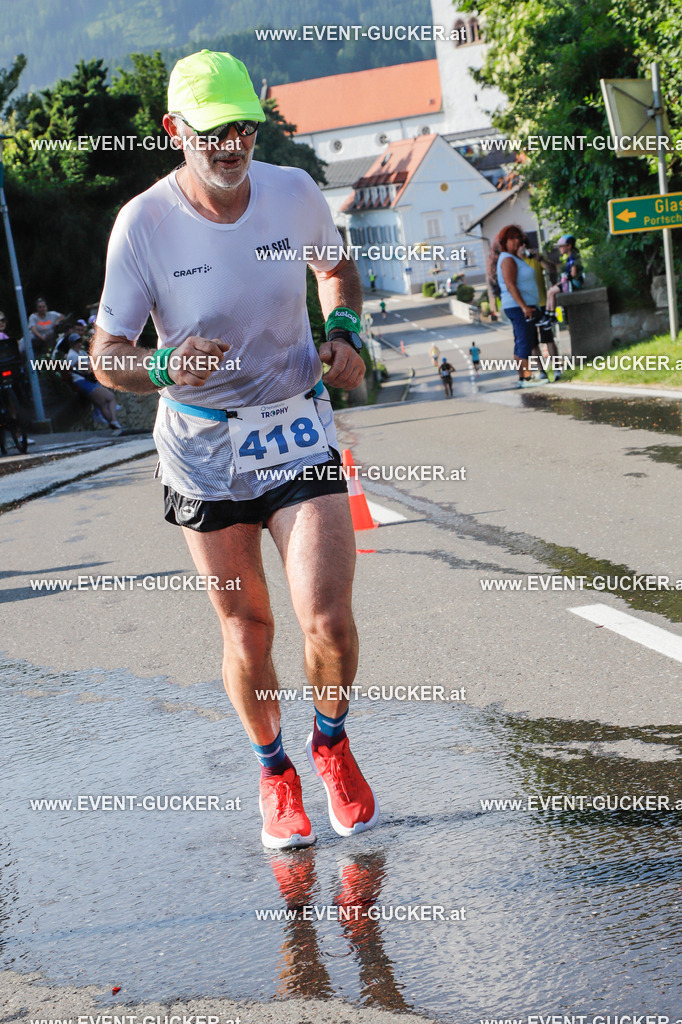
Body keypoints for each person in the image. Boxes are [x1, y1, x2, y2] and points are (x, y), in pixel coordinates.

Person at [91, 49, 378, 851]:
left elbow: (336, 267)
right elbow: (105, 352)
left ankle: (330, 743)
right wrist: (159, 365)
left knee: (329, 621)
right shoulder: (143, 225)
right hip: (203, 450)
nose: (233, 145)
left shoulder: (292, 193)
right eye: (214, 131)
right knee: (248, 631)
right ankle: (274, 771)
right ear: (174, 131)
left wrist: (346, 331)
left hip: (293, 428)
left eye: (245, 127)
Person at [488, 224, 548, 388]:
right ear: (504, 242)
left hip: (521, 305)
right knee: (525, 342)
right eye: (512, 238)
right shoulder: (508, 259)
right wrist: (524, 307)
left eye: (518, 238)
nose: (516, 241)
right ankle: (526, 379)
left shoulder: (514, 258)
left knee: (521, 341)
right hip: (519, 307)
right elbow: (510, 285)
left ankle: (524, 377)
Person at [65, 333, 123, 431]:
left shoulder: (81, 352)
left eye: (79, 341)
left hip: (86, 381)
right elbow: (86, 369)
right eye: (76, 342)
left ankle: (114, 424)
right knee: (110, 397)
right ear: (72, 344)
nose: (79, 344)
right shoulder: (72, 355)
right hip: (81, 382)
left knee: (102, 404)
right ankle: (113, 421)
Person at [539, 234, 584, 329]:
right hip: (570, 282)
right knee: (550, 291)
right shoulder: (570, 257)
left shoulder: (573, 258)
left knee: (551, 292)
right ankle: (548, 314)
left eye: (561, 246)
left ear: (569, 246)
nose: (560, 249)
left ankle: (551, 316)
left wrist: (563, 281)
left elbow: (573, 274)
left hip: (574, 283)